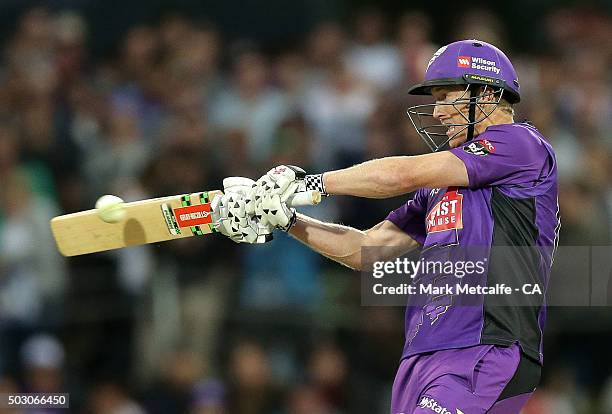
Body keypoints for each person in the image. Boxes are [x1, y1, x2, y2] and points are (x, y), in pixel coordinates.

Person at [212, 40, 560, 414]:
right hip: (421, 354)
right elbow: (367, 249)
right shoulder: (439, 187)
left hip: (486, 348)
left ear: (488, 93)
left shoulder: (522, 144)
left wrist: (304, 185)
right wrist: (286, 219)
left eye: (448, 96)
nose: (439, 112)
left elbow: (401, 174)